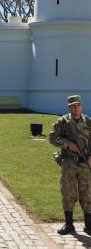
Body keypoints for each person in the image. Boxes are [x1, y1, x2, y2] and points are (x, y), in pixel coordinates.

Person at [49, 95, 91, 236]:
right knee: (68, 192)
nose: (76, 108)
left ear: (81, 106)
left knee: (87, 192)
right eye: (73, 105)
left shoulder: (88, 121)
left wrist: (90, 156)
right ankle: (69, 224)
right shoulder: (63, 122)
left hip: (85, 163)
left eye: (78, 105)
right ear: (69, 107)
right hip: (68, 163)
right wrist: (68, 144)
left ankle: (89, 224)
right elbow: (52, 137)